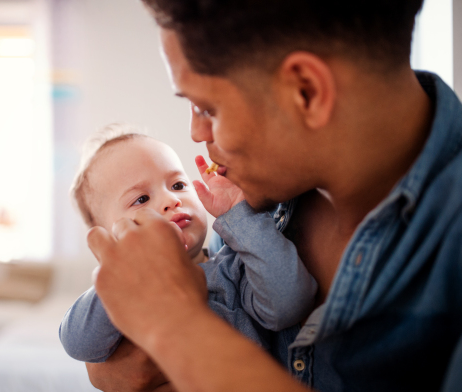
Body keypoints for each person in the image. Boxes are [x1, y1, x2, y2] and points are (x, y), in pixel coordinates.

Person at [85, 1, 462, 391]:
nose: (197, 133)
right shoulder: (257, 201)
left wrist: (178, 332)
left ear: (306, 92)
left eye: (206, 107)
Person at [60, 124, 317, 364]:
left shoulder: (234, 268)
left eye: (178, 184)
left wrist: (240, 215)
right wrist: (120, 270)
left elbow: (289, 303)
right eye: (141, 199)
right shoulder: (124, 292)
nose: (171, 199)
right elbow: (78, 343)